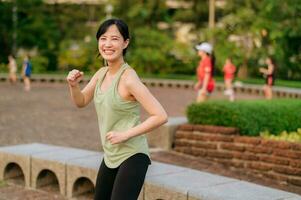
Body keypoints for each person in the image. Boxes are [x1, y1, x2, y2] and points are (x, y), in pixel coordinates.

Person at [66, 19, 167, 200]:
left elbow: (160, 115)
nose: (108, 44)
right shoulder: (101, 74)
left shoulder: (128, 78)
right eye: (103, 38)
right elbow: (81, 101)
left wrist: (126, 134)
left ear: (125, 43)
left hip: (133, 154)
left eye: (114, 39)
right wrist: (73, 86)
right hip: (111, 154)